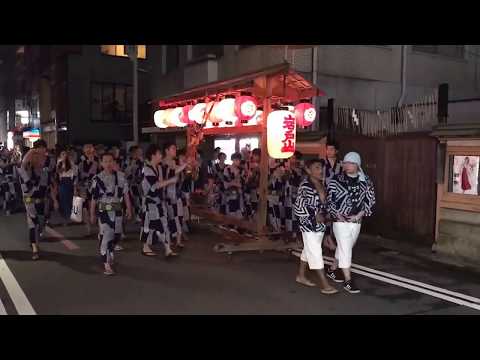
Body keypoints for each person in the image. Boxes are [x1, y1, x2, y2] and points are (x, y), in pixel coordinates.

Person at [326, 151, 376, 294]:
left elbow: (370, 199)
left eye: (351, 163)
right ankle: (348, 280)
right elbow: (330, 199)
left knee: (345, 247)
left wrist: (360, 214)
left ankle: (332, 269)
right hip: (340, 220)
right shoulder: (337, 179)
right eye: (346, 162)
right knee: (346, 249)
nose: (347, 165)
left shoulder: (365, 180)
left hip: (356, 220)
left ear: (357, 165)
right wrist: (336, 214)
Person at [294, 159, 338, 294]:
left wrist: (328, 221)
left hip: (321, 225)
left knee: (308, 250)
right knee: (315, 253)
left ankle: (301, 276)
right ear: (308, 170)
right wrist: (313, 216)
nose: (320, 170)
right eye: (317, 167)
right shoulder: (305, 186)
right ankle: (325, 285)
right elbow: (298, 208)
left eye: (321, 168)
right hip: (309, 225)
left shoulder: (321, 184)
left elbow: (326, 206)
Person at [90, 152, 133, 275]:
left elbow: (126, 194)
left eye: (111, 161)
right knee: (107, 236)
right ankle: (106, 264)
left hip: (118, 210)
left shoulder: (121, 176)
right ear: (101, 163)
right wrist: (92, 214)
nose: (108, 163)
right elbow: (94, 198)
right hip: (104, 210)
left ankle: (110, 249)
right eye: (105, 161)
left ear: (114, 162)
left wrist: (129, 209)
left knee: (117, 235)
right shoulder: (97, 179)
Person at [17, 140, 58, 260]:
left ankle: (37, 235)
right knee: (32, 220)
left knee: (41, 218)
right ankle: (35, 248)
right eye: (38, 149)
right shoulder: (27, 163)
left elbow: (52, 181)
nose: (41, 152)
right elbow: (22, 166)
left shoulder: (49, 163)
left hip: (42, 195)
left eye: (43, 148)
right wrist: (31, 152)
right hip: (28, 195)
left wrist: (55, 199)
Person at [140, 144, 179, 258]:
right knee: (149, 225)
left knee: (163, 224)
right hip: (150, 202)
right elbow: (155, 185)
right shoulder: (146, 169)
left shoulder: (159, 167)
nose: (161, 156)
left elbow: (170, 174)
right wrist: (170, 181)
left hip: (159, 201)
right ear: (153, 155)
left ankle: (167, 249)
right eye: (159, 154)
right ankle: (145, 247)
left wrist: (181, 166)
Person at [162, 143, 188, 248]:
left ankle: (177, 239)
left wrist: (184, 165)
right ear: (166, 150)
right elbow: (171, 173)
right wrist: (184, 165)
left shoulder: (174, 162)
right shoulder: (163, 163)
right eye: (173, 148)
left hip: (175, 193)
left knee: (178, 217)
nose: (175, 150)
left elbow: (180, 174)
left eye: (175, 148)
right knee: (169, 218)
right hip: (166, 194)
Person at [78, 144, 100, 236]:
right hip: (84, 187)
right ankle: (88, 227)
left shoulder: (97, 161)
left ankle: (99, 226)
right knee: (85, 207)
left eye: (91, 150)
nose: (89, 152)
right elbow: (79, 175)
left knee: (96, 206)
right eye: (87, 151)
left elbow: (100, 173)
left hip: (95, 187)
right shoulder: (81, 162)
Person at [56, 150, 78, 226]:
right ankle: (65, 218)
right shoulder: (59, 163)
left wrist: (75, 187)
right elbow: (58, 173)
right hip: (62, 182)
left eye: (65, 154)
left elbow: (75, 175)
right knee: (62, 200)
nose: (64, 156)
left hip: (69, 182)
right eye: (62, 154)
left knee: (69, 200)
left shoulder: (71, 163)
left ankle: (69, 217)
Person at [222, 152, 245, 228]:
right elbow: (226, 182)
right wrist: (235, 182)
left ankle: (237, 227)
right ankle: (231, 227)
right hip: (230, 193)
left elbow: (243, 182)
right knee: (231, 211)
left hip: (239, 193)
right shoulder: (227, 169)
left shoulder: (241, 170)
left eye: (239, 160)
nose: (238, 162)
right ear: (233, 160)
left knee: (239, 210)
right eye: (237, 160)